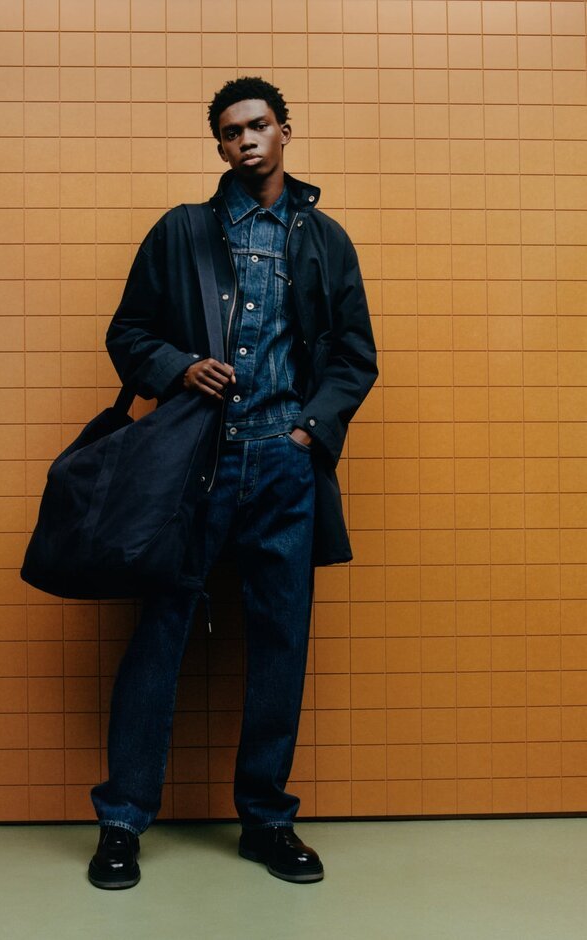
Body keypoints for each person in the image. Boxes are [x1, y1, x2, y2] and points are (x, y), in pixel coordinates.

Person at [87, 77, 378, 889]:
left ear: (285, 131)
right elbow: (128, 333)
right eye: (229, 132)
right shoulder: (183, 233)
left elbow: (355, 357)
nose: (246, 140)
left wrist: (306, 431)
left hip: (286, 467)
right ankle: (120, 822)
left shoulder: (325, 240)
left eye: (258, 126)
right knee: (159, 639)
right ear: (219, 146)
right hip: (196, 467)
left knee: (281, 645)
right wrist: (179, 368)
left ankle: (267, 821)